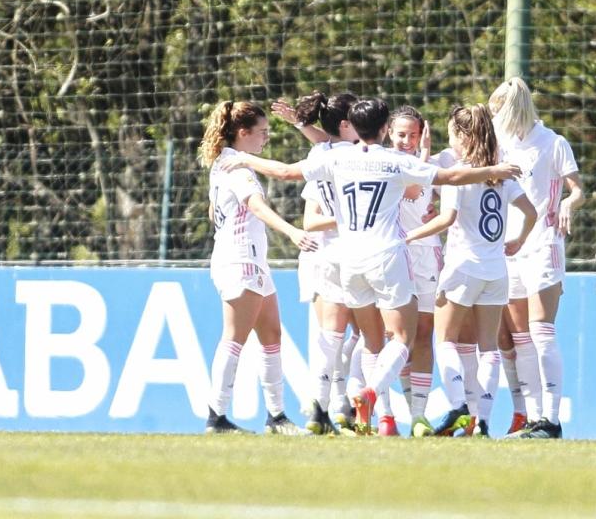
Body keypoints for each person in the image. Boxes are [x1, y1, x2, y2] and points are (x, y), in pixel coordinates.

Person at [223, 98, 521, 434]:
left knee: (368, 338)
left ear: (355, 126)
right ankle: (370, 393)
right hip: (386, 258)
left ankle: (354, 410)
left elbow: (286, 172)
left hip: (349, 261)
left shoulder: (337, 157)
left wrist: (245, 158)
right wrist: (493, 171)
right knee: (403, 337)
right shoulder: (394, 162)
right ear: (384, 130)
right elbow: (451, 176)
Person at [404, 104, 536, 438]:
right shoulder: (499, 173)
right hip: (496, 271)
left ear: (463, 136)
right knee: (487, 347)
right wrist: (517, 240)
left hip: (463, 267)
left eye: (452, 134)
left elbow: (445, 220)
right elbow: (530, 212)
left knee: (444, 339)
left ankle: (458, 405)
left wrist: (408, 236)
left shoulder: (459, 175)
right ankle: (482, 421)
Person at [199, 100, 317, 435]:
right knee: (234, 339)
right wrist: (293, 231)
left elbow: (212, 212)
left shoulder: (223, 163)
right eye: (262, 132)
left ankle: (276, 417)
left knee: (271, 336)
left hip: (249, 258)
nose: (266, 138)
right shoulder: (237, 166)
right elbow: (257, 206)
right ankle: (216, 416)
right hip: (241, 259)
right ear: (243, 132)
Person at [489, 78, 584, 439]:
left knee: (541, 331)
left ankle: (552, 419)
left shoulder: (553, 143)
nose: (494, 115)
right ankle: (531, 418)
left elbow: (577, 189)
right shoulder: (501, 146)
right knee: (518, 338)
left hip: (543, 243)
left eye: (498, 108)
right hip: (509, 246)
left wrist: (566, 204)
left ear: (513, 107)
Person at [277, 91, 362, 435]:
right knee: (371, 334)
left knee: (332, 335)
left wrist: (300, 124)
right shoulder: (360, 156)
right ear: (346, 124)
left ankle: (325, 406)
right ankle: (351, 404)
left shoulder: (319, 153)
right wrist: (350, 216)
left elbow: (324, 142)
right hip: (353, 252)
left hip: (321, 254)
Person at [388, 105, 441, 437]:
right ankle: (382, 415)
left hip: (427, 255)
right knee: (393, 337)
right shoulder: (383, 165)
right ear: (389, 134)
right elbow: (409, 187)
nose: (407, 141)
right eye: (401, 134)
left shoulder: (435, 167)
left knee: (423, 333)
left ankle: (419, 416)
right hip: (392, 256)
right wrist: (421, 160)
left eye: (414, 135)